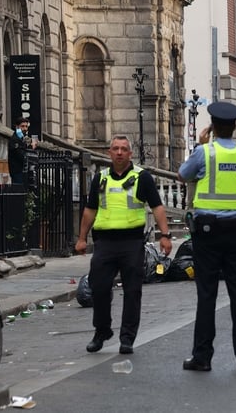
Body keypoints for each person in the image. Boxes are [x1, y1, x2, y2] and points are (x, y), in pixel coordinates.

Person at [178, 101, 236, 372]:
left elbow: (183, 174)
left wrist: (199, 145)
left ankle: (202, 357)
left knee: (207, 295)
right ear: (235, 127)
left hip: (208, 235)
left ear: (212, 127)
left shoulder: (204, 153)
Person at [74, 135, 172, 355]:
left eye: (124, 149)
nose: (119, 152)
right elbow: (90, 210)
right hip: (105, 243)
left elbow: (157, 207)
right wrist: (81, 238)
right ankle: (102, 331)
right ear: (109, 153)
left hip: (131, 242)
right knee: (98, 288)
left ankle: (127, 337)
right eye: (115, 149)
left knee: (132, 291)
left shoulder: (142, 177)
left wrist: (164, 235)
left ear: (130, 154)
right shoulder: (100, 178)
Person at [8, 117, 36, 184]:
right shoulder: (15, 139)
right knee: (19, 191)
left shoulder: (22, 138)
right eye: (22, 126)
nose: (25, 129)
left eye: (26, 126)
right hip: (18, 171)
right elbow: (21, 155)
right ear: (17, 127)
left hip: (24, 171)